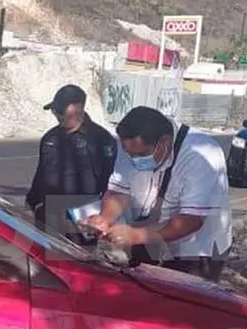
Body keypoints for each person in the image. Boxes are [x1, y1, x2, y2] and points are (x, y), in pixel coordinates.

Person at [79, 106, 232, 281]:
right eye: (130, 155)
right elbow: (119, 191)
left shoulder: (202, 153)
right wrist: (105, 219)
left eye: (142, 154)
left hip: (197, 247)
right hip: (150, 233)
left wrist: (135, 235)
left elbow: (191, 220)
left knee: (184, 302)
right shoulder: (129, 146)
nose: (135, 160)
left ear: (165, 142)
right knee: (143, 292)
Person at [25, 85, 117, 238]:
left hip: (83, 219)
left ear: (78, 109)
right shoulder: (50, 138)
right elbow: (41, 174)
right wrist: (31, 203)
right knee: (43, 259)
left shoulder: (101, 139)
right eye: (55, 111)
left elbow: (111, 182)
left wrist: (105, 219)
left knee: (80, 261)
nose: (57, 115)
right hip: (49, 217)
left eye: (60, 110)